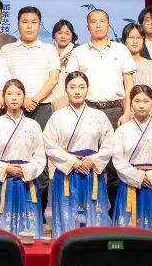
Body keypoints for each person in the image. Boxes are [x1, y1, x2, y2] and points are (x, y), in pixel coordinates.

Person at [43, 72, 113, 235]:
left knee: (93, 217)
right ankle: (65, 247)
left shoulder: (99, 116)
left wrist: (93, 159)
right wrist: (71, 161)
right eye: (72, 87)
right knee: (66, 217)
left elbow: (110, 143)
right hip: (67, 173)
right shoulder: (57, 116)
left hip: (91, 171)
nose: (77, 91)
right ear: (66, 89)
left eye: (81, 87)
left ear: (87, 89)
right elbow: (49, 144)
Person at [110, 85, 152, 239]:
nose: (141, 105)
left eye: (146, 101)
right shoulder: (122, 130)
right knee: (128, 235)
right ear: (130, 104)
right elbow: (118, 160)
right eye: (137, 101)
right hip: (130, 184)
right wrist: (138, 177)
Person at [0, 79, 46, 236]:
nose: (14, 98)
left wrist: (25, 170)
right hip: (2, 181)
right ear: (3, 98)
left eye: (18, 94)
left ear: (24, 97)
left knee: (28, 230)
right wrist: (6, 168)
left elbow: (39, 156)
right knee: (2, 230)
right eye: (9, 94)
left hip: (26, 181)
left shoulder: (33, 125)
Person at [66, 9, 135, 128]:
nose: (98, 25)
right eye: (93, 22)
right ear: (88, 26)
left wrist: (128, 112)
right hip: (87, 109)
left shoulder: (122, 50)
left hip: (116, 109)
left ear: (108, 25)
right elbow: (70, 85)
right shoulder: (78, 52)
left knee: (116, 141)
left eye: (102, 21)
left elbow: (129, 84)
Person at [0, 6, 60, 130]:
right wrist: (23, 99)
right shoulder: (6, 49)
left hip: (42, 107)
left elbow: (53, 78)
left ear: (40, 25)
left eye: (33, 22)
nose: (29, 26)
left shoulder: (50, 49)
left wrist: (35, 100)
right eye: (25, 22)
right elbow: (2, 79)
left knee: (42, 141)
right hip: (13, 106)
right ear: (18, 25)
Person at [122, 23, 152, 106]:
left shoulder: (151, 65)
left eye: (139, 37)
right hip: (123, 112)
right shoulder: (119, 64)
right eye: (131, 37)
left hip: (149, 112)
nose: (135, 41)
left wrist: (151, 112)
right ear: (124, 40)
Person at [49, 19, 78, 111]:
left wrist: (71, 65)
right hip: (48, 97)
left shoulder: (76, 52)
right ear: (54, 35)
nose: (63, 36)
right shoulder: (49, 51)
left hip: (67, 97)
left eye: (67, 33)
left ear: (72, 35)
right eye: (59, 33)